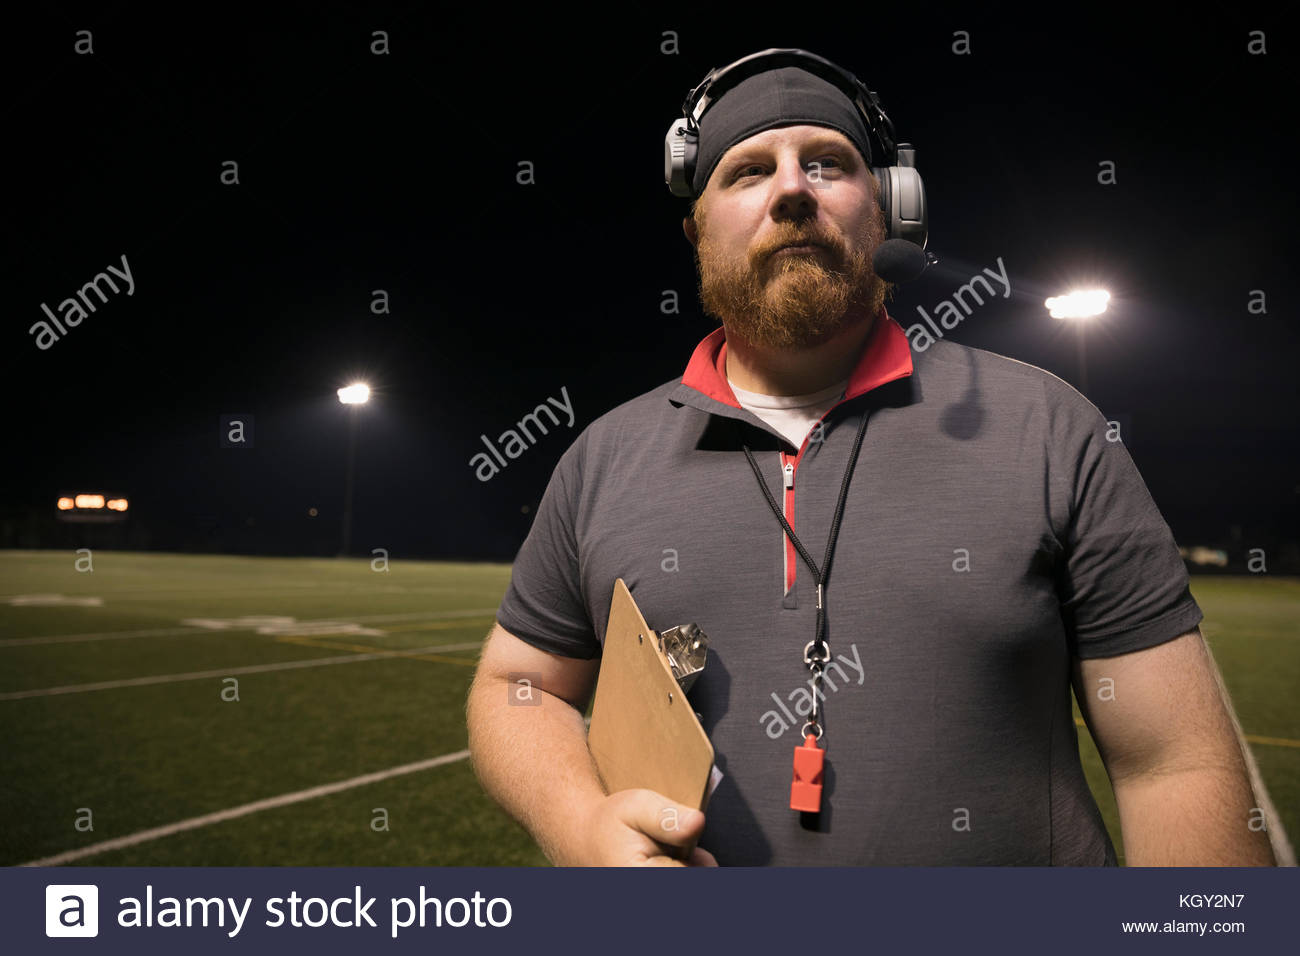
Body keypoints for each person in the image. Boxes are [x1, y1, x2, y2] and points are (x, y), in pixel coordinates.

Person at [465, 51, 1276, 867]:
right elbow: (515, 685)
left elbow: (1173, 763)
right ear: (696, 230)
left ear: (890, 212)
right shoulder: (602, 458)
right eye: (747, 171)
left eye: (827, 164)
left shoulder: (1049, 428)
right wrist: (577, 824)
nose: (791, 190)